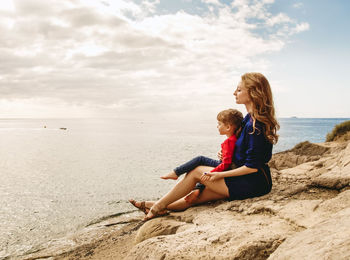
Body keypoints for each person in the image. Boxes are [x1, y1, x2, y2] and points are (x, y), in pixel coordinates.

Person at [130, 72, 280, 221]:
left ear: (253, 92)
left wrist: (219, 175)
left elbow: (252, 166)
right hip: (246, 179)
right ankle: (153, 205)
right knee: (193, 198)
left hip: (253, 182)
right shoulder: (248, 118)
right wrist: (227, 155)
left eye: (239, 90)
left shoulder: (256, 125)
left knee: (196, 171)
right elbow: (244, 149)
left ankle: (155, 208)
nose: (234, 93)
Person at [158, 109, 243, 202]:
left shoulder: (229, 141)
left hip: (225, 167)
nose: (217, 126)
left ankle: (176, 172)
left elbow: (226, 163)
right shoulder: (235, 139)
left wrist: (212, 172)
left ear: (228, 127)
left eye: (219, 124)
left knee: (200, 159)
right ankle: (197, 189)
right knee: (202, 167)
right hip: (228, 166)